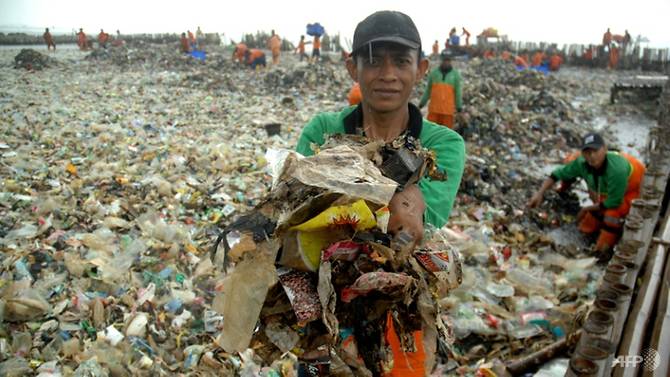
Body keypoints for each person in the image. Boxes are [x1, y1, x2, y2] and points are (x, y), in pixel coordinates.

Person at [296, 11, 465, 375]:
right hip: (323, 311)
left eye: (401, 62)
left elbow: (412, 222)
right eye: (372, 61)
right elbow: (296, 213)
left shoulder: (442, 144)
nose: (387, 74)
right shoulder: (324, 129)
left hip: (400, 308)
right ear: (351, 68)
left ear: (421, 70)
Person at [528, 133, 645, 256]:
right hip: (611, 190)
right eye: (587, 152)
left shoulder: (617, 169)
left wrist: (586, 208)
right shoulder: (582, 163)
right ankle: (583, 240)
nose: (592, 156)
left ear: (604, 149)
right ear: (582, 153)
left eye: (595, 151)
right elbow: (557, 174)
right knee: (592, 217)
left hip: (635, 190)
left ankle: (601, 251)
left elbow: (614, 202)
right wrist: (539, 193)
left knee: (612, 215)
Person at [419, 52, 463, 129]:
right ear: (441, 60)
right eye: (444, 60)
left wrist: (459, 108)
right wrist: (421, 104)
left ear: (451, 61)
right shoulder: (434, 73)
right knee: (431, 133)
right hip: (434, 111)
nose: (446, 62)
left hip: (448, 112)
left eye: (448, 60)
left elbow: (458, 93)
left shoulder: (455, 75)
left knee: (446, 135)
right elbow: (428, 91)